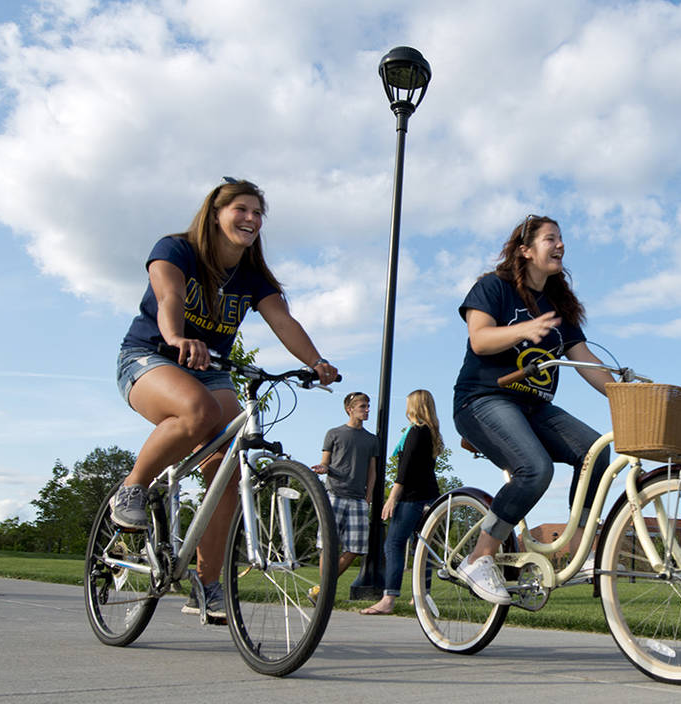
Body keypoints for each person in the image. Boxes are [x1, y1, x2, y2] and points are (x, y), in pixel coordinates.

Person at [106, 177, 339, 626]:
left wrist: (316, 361)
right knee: (199, 413)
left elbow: (282, 321)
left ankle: (207, 584)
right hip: (149, 356)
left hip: (210, 369)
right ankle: (132, 486)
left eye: (257, 213)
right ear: (216, 213)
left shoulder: (252, 276)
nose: (251, 219)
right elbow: (169, 295)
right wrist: (176, 336)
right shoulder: (176, 249)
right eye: (241, 210)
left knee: (228, 470)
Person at [449, 215, 614, 604]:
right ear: (525, 250)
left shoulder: (558, 306)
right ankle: (479, 557)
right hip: (482, 399)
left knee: (596, 451)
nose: (560, 246)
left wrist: (625, 391)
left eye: (561, 239)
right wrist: (522, 330)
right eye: (550, 239)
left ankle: (580, 550)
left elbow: (584, 358)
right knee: (535, 469)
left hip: (533, 407)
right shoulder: (494, 287)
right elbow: (480, 339)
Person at [361, 389, 445, 615]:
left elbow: (406, 469)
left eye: (408, 403)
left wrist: (392, 497)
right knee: (423, 548)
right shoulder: (431, 432)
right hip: (430, 495)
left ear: (414, 406)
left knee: (394, 545)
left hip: (412, 498)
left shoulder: (416, 432)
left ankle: (388, 599)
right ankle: (422, 596)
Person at [313, 392, 381, 582]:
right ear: (350, 409)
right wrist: (322, 468)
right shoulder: (334, 433)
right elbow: (325, 462)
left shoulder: (371, 439)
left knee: (356, 548)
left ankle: (324, 587)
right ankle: (324, 593)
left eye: (368, 406)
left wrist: (368, 498)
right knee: (328, 545)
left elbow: (372, 471)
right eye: (363, 407)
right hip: (334, 495)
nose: (367, 410)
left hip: (358, 500)